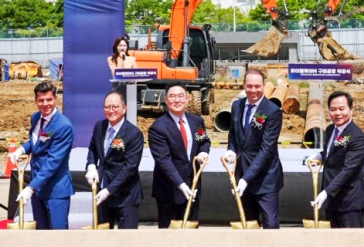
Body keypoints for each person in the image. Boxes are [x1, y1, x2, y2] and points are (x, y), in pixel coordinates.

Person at [8, 82, 75, 229]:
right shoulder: (36, 117)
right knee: (41, 234)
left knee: (58, 234)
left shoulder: (63, 126)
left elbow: (53, 162)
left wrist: (30, 188)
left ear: (55, 99)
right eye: (41, 100)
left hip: (55, 190)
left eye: (49, 99)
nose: (45, 104)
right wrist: (22, 149)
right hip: (38, 189)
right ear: (36, 101)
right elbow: (36, 142)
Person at [224, 69, 283, 229]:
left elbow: (267, 150)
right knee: (248, 225)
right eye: (249, 86)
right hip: (242, 174)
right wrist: (231, 150)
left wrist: (246, 180)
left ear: (264, 86)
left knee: (270, 225)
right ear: (244, 86)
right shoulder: (237, 105)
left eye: (257, 86)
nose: (253, 90)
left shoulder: (272, 111)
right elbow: (234, 133)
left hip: (265, 179)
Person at [148, 82, 211, 228]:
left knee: (191, 233)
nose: (177, 100)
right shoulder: (158, 128)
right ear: (166, 99)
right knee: (169, 236)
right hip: (169, 191)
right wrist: (181, 185)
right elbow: (164, 161)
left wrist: (203, 152)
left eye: (181, 96)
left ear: (188, 98)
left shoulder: (196, 121)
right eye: (172, 96)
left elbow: (204, 141)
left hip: (193, 186)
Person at [85, 90, 144, 229]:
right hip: (102, 193)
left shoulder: (134, 134)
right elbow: (93, 148)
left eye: (115, 107)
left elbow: (130, 167)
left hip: (126, 197)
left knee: (126, 241)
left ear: (124, 108)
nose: (111, 110)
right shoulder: (100, 126)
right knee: (102, 238)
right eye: (107, 107)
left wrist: (109, 190)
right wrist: (91, 165)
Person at [309, 91, 364, 228]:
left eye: (342, 109)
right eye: (333, 109)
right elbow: (333, 153)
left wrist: (326, 192)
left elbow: (348, 170)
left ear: (351, 109)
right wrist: (320, 156)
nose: (338, 113)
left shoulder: (356, 136)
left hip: (349, 202)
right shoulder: (330, 130)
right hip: (332, 202)